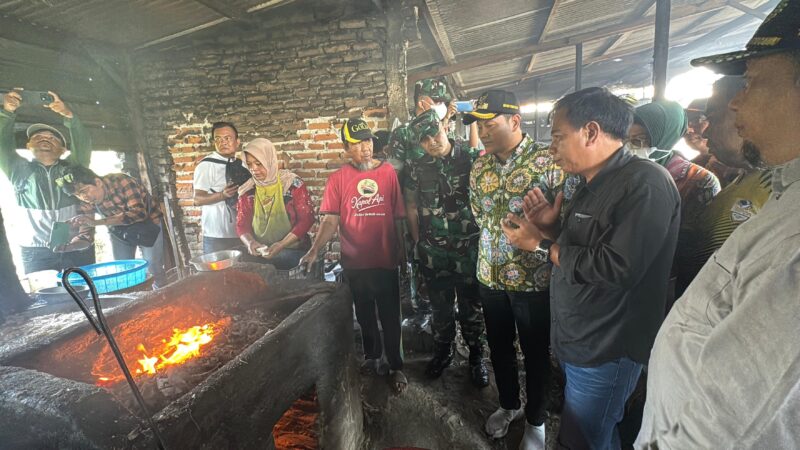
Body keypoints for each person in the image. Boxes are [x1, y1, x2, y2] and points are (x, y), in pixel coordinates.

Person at [636, 1, 800, 446]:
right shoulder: (782, 194)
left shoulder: (794, 242)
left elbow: (736, 424)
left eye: (750, 81)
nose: (736, 102)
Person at [502, 87, 680, 449]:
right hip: (582, 340)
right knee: (594, 434)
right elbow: (584, 249)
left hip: (607, 348)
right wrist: (551, 229)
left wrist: (540, 244)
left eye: (558, 137)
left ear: (591, 131)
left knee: (583, 439)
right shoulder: (592, 183)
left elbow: (617, 267)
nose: (551, 148)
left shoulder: (645, 183)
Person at [467, 89, 574, 449]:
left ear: (515, 121)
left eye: (490, 124)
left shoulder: (547, 162)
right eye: (479, 126)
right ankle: (509, 404)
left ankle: (536, 420)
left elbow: (566, 225)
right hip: (490, 275)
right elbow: (480, 217)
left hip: (532, 279)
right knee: (499, 347)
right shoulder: (480, 167)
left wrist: (546, 229)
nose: (483, 132)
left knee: (535, 352)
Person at [299, 118, 408, 393]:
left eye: (368, 140)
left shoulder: (388, 173)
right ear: (346, 148)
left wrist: (403, 252)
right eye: (357, 143)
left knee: (391, 315)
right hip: (355, 263)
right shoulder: (338, 179)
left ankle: (396, 366)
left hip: (385, 260)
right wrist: (314, 250)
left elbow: (398, 217)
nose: (365, 147)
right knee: (365, 314)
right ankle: (372, 358)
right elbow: (330, 220)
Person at [404, 110, 488, 386]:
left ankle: (476, 357)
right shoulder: (417, 167)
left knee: (471, 308)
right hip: (434, 253)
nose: (431, 142)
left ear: (445, 127)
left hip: (468, 252)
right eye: (424, 140)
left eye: (434, 133)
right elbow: (411, 206)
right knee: (440, 309)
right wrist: (418, 242)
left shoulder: (472, 159)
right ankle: (443, 351)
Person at [673, 75, 772, 296]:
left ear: (745, 114)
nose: (705, 132)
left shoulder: (778, 189)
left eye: (713, 119)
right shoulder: (739, 182)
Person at [0, 90, 95, 273]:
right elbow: (2, 145)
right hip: (35, 250)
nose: (44, 139)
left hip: (74, 244)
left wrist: (69, 116)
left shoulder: (73, 168)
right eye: (38, 137)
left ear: (62, 149)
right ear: (28, 146)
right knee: (44, 291)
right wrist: (7, 112)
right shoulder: (17, 169)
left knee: (84, 288)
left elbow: (83, 144)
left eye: (52, 138)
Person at [59, 166, 166, 286]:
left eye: (84, 191)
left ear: (98, 182)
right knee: (123, 270)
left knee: (153, 267)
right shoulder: (86, 201)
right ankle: (136, 295)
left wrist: (97, 222)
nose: (84, 197)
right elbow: (86, 235)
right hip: (119, 230)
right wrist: (71, 246)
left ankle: (162, 294)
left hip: (149, 225)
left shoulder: (123, 182)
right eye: (77, 194)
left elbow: (138, 213)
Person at [629, 100, 721, 225]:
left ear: (664, 140)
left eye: (639, 140)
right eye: (625, 139)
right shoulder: (622, 170)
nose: (627, 147)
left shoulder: (700, 180)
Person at [236, 138, 315, 270]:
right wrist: (250, 243)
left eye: (259, 163)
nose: (254, 169)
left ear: (270, 160)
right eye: (249, 164)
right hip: (262, 254)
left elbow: (307, 219)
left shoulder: (291, 184)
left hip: (294, 251)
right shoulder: (247, 190)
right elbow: (241, 224)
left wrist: (282, 244)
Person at [193, 121, 244, 254]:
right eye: (218, 139)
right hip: (216, 235)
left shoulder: (241, 164)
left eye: (227, 138)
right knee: (217, 268)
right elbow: (197, 199)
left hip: (241, 233)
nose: (223, 142)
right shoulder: (206, 165)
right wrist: (222, 195)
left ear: (237, 142)